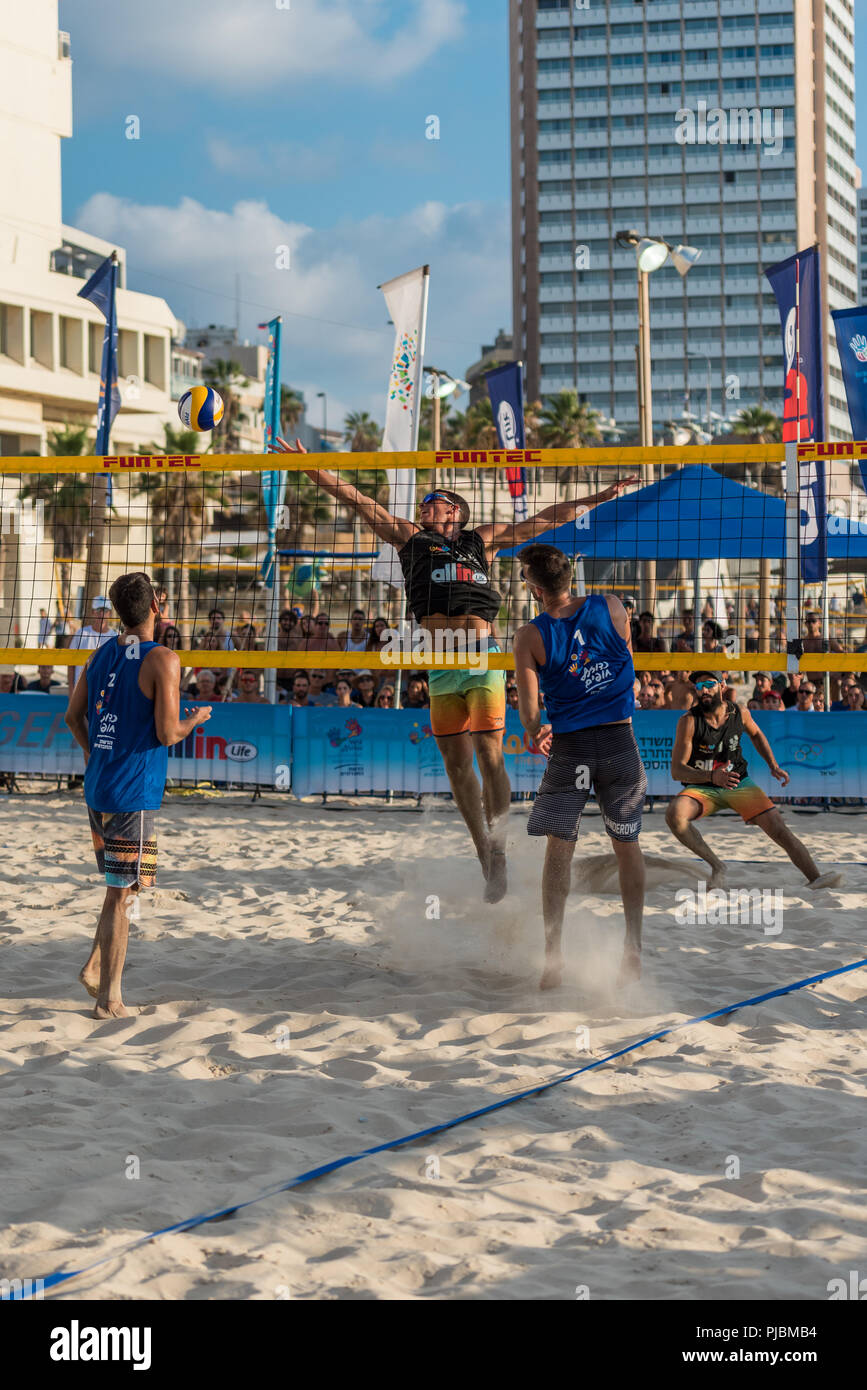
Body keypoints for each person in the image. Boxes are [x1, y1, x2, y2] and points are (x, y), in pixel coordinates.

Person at [272, 435, 637, 903]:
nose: (426, 507)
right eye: (424, 503)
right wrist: (312, 466)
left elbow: (547, 518)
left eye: (435, 502)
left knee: (489, 754)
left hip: (479, 654)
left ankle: (500, 849)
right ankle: (485, 853)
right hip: (438, 661)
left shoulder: (481, 540)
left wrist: (598, 497)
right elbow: (359, 501)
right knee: (456, 766)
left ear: (456, 512)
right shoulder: (411, 539)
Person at [64, 572, 212, 1018]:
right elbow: (168, 733)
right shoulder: (164, 658)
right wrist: (196, 719)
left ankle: (93, 967)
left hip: (98, 785)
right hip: (133, 793)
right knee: (124, 894)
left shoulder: (101, 653)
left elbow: (72, 717)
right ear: (156, 608)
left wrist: (98, 753)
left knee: (118, 886)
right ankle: (109, 1000)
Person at [513, 544, 646, 990]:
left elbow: (531, 713)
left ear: (534, 588)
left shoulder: (530, 635)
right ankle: (633, 947)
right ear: (570, 576)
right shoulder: (611, 605)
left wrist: (536, 730)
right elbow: (629, 662)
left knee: (559, 848)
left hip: (570, 748)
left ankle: (554, 957)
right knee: (626, 844)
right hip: (619, 741)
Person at [665, 671, 840, 891]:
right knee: (674, 815)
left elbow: (756, 734)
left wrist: (773, 765)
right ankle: (717, 865)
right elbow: (677, 770)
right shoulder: (689, 721)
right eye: (699, 686)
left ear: (722, 685)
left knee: (778, 827)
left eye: (709, 684)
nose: (704, 690)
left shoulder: (739, 713)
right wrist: (711, 776)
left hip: (737, 782)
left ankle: (816, 878)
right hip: (704, 785)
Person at [67, 596, 115, 692]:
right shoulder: (81, 633)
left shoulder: (115, 637)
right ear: (93, 612)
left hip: (105, 692)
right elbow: (70, 664)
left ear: (109, 613)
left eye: (105, 610)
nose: (101, 614)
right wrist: (71, 692)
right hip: (81, 693)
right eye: (98, 610)